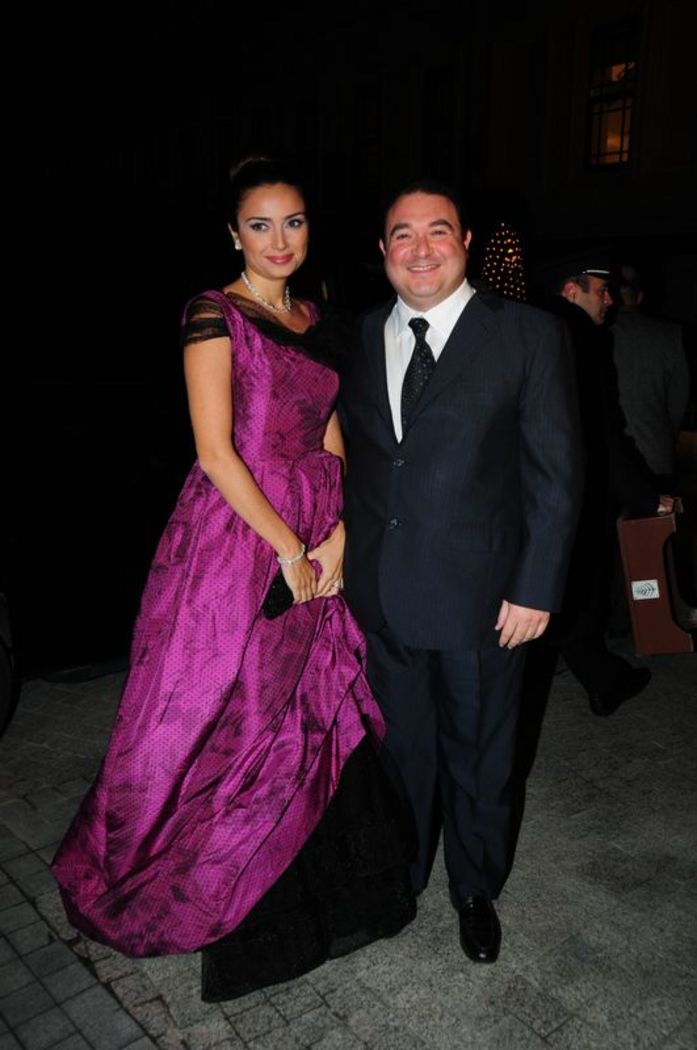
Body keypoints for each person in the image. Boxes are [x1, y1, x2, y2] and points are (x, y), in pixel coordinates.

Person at [51, 158, 415, 1001]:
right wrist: (290, 550)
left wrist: (340, 535)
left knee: (314, 704)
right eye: (260, 224)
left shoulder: (315, 315)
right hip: (241, 534)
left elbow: (328, 432)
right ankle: (210, 878)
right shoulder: (212, 313)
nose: (279, 240)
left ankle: (323, 889)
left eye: (293, 222)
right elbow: (215, 453)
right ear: (232, 233)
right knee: (239, 704)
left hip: (318, 526)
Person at [340, 181, 582, 964]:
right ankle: (404, 872)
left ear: (465, 242)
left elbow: (554, 473)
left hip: (484, 600)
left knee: (478, 755)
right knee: (401, 751)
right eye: (401, 234)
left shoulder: (527, 335)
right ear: (382, 250)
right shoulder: (361, 333)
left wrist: (536, 587)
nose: (420, 249)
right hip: (381, 594)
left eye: (436, 231)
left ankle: (474, 888)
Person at [536, 254, 673, 714]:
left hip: (534, 489)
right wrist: (645, 497)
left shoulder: (532, 328)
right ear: (571, 291)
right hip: (571, 492)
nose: (610, 300)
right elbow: (599, 433)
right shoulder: (578, 337)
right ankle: (604, 679)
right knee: (581, 589)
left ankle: (601, 676)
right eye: (601, 290)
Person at [612, 264, 689, 491]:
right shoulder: (671, 335)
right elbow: (679, 399)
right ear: (640, 297)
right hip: (656, 454)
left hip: (613, 462)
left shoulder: (597, 334)